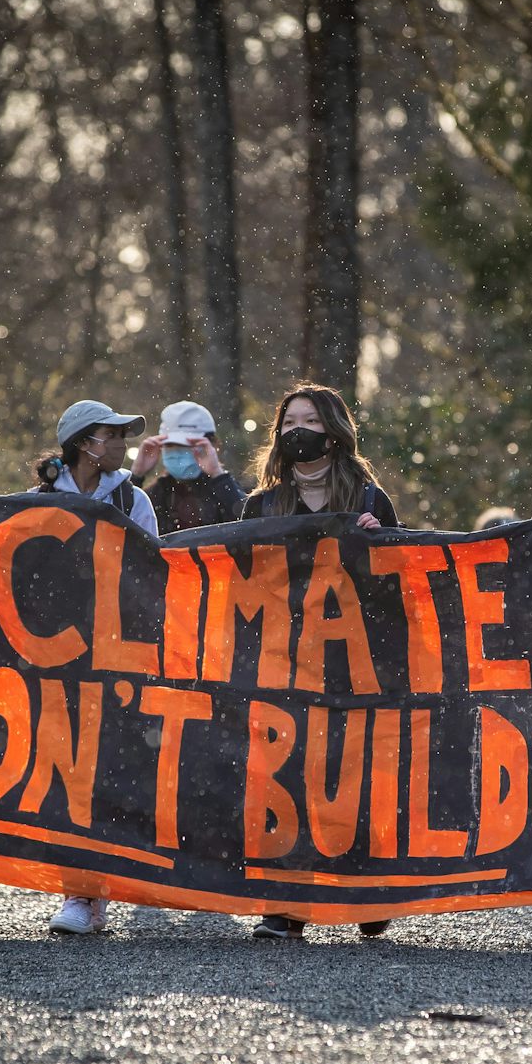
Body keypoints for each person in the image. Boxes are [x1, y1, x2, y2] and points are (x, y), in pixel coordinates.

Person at [242, 382, 396, 939]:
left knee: (351, 776)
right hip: (283, 663)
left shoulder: (370, 499)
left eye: (306, 420)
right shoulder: (261, 506)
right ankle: (284, 905)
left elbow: (402, 585)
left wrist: (382, 546)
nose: (295, 431)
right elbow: (242, 584)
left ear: (333, 432)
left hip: (351, 663)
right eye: (287, 423)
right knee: (282, 780)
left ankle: (363, 894)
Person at [34, 400, 159, 934]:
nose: (123, 446)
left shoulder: (135, 500)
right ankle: (78, 893)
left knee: (110, 770)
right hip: (52, 660)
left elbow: (154, 574)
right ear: (86, 443)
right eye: (114, 435)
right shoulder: (36, 502)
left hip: (116, 659)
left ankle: (99, 884)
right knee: (65, 773)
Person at [133, 400, 247, 534]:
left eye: (187, 445)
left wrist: (217, 474)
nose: (177, 452)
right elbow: (119, 523)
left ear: (211, 446)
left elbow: (248, 523)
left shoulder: (225, 490)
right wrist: (136, 475)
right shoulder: (155, 495)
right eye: (170, 445)